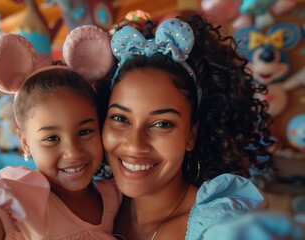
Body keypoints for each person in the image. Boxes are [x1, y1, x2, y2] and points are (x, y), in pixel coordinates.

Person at [98, 14, 304, 239]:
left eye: (162, 124)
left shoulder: (217, 225)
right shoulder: (93, 203)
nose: (135, 144)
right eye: (120, 118)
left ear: (191, 135)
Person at [0, 30, 121, 239]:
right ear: (25, 143)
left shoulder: (113, 194)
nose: (73, 152)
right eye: (52, 138)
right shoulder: (22, 203)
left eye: (84, 132)